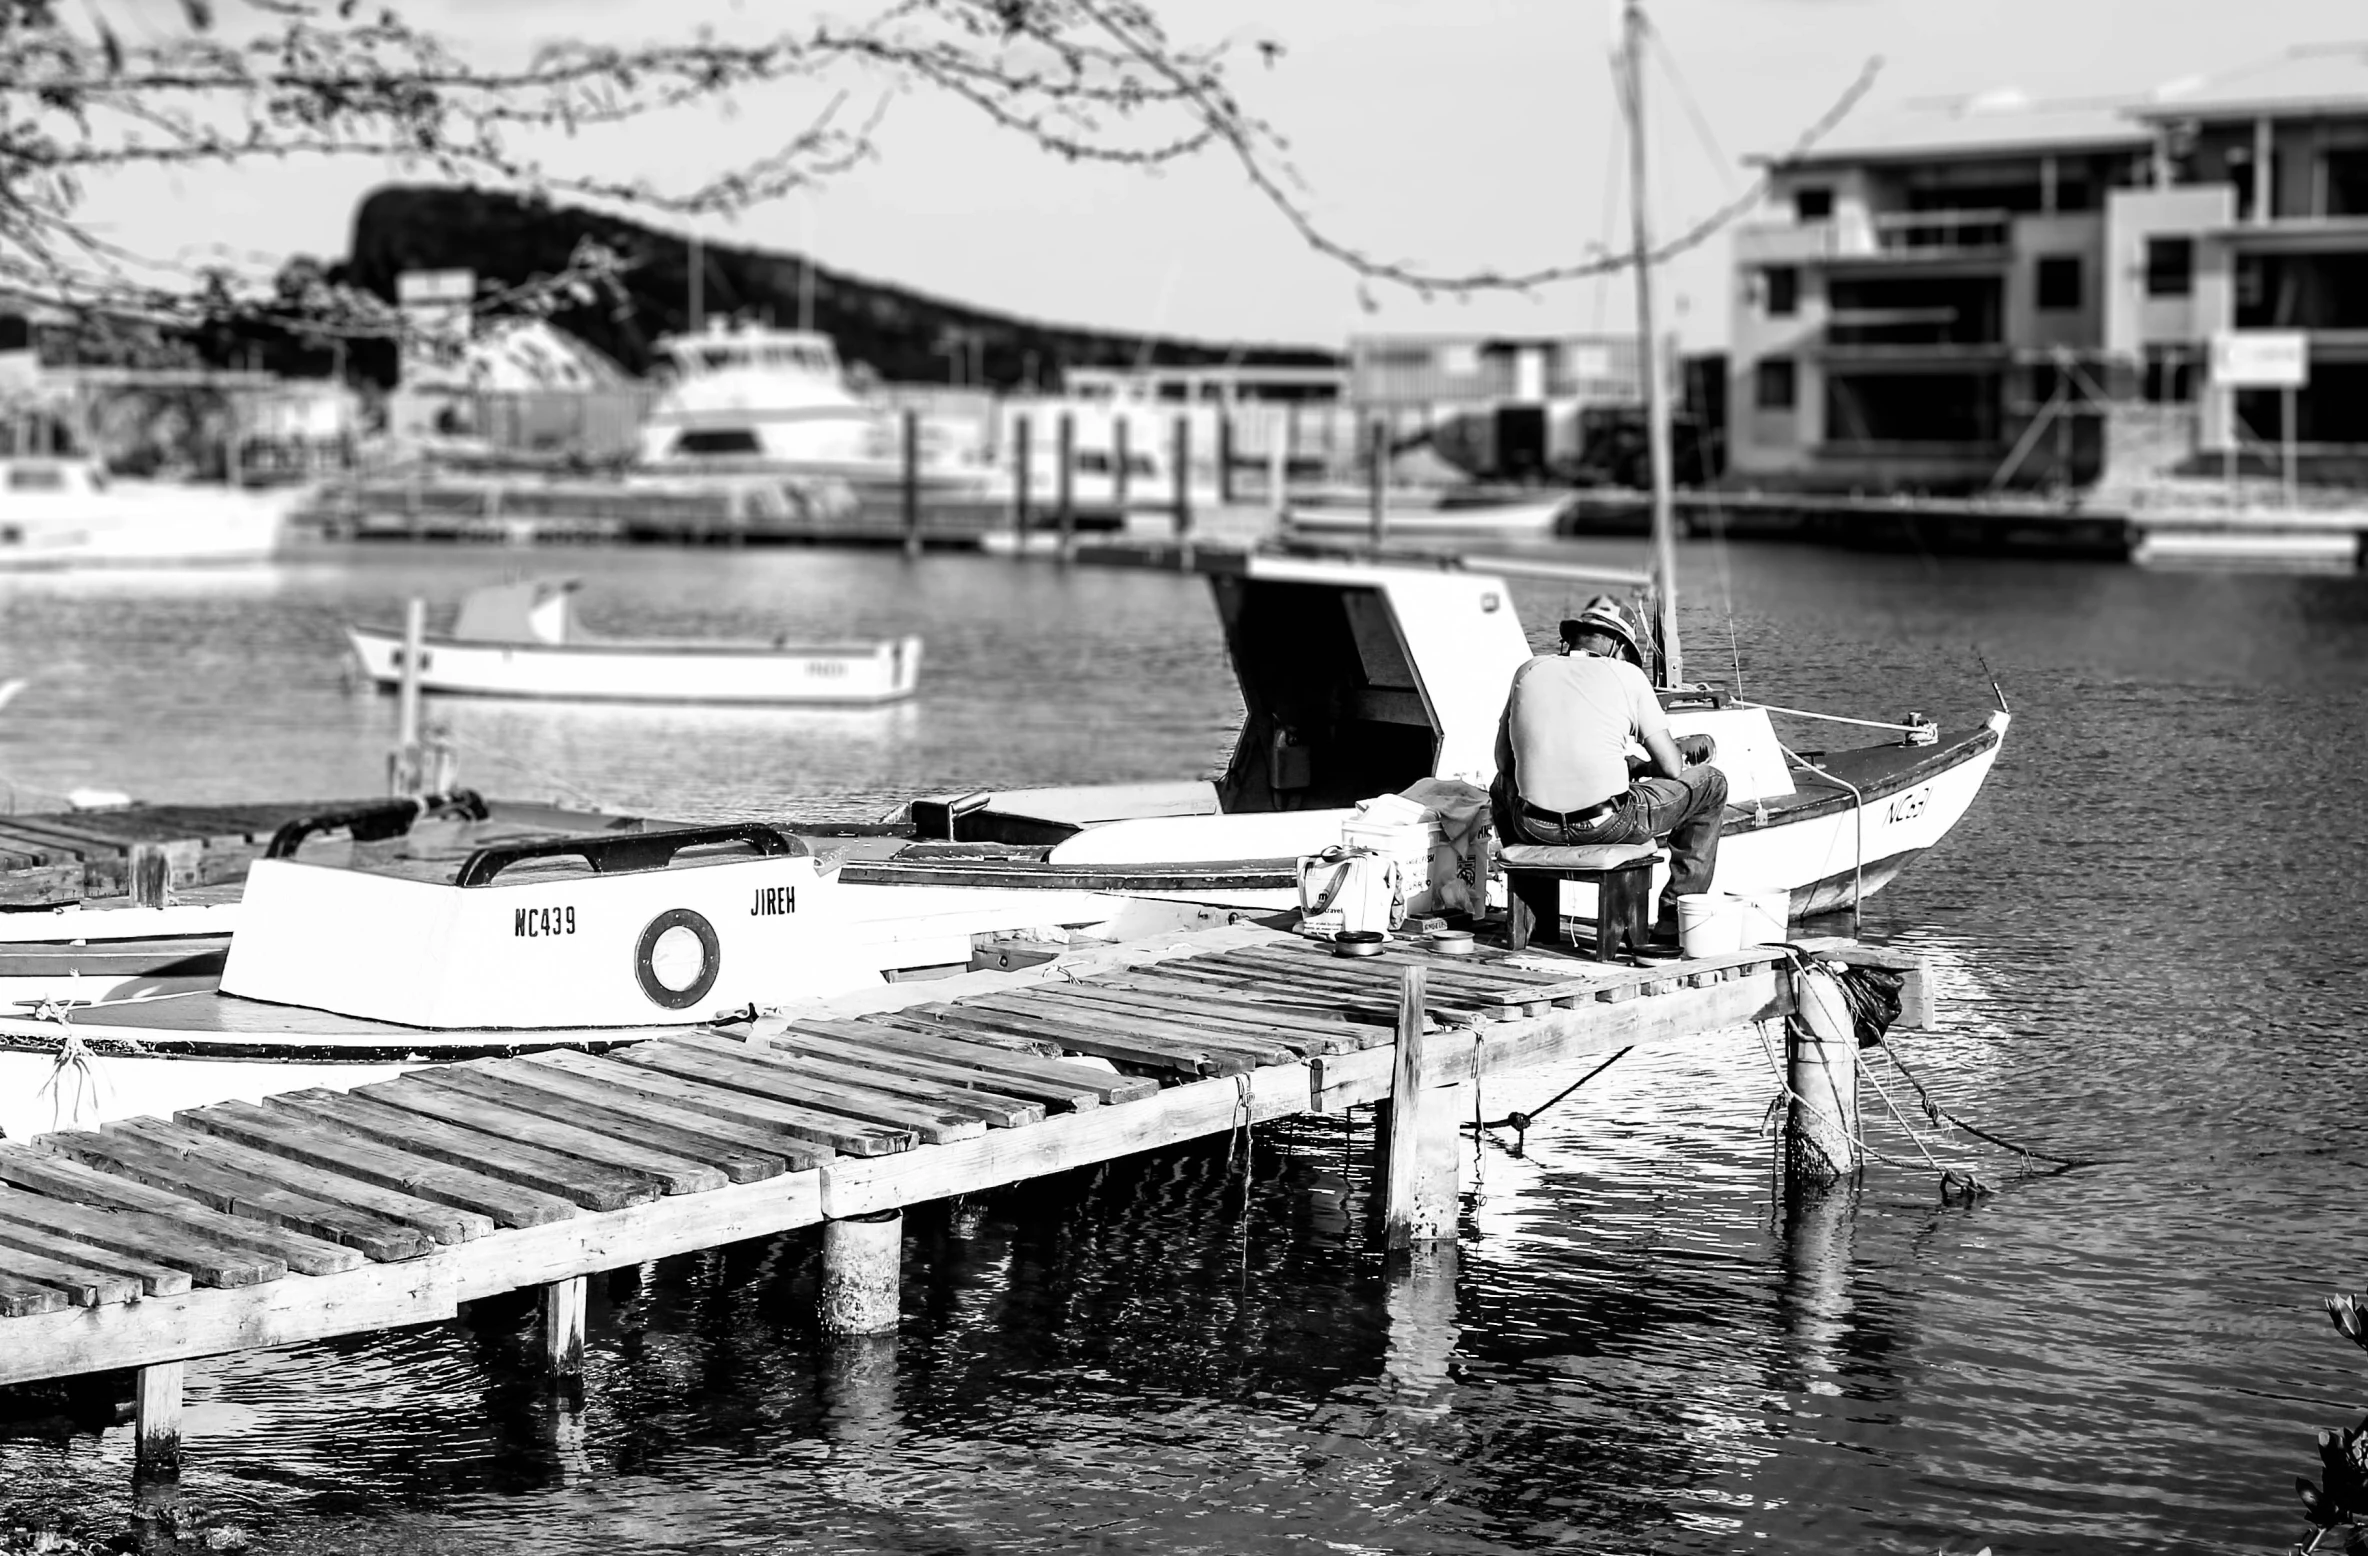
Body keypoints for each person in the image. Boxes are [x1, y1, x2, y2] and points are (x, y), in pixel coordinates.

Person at [1490, 595, 1728, 934]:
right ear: (1619, 645)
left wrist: (1635, 766)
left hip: (1532, 826)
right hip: (1609, 824)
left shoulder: (1529, 669)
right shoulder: (1627, 675)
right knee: (1712, 784)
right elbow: (1673, 769)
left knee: (1501, 787)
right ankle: (1674, 918)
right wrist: (1648, 766)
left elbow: (1503, 762)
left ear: (1571, 638)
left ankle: (1539, 916)